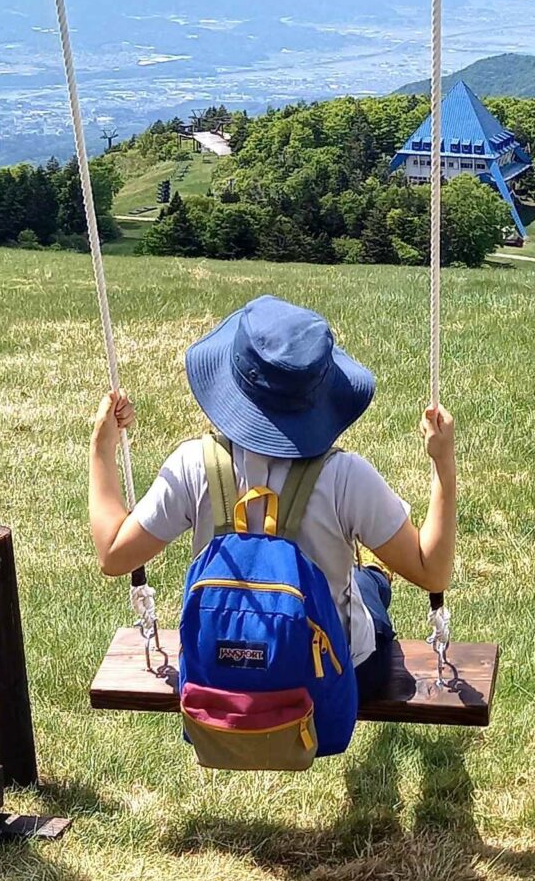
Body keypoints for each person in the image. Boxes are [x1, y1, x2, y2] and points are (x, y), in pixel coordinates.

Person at [88, 294, 455, 700]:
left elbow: (113, 553)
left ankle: (370, 576)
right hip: (332, 682)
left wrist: (102, 445)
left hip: (220, 673)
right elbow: (431, 570)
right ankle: (373, 575)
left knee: (364, 584)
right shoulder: (346, 477)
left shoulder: (193, 465)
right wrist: (443, 464)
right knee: (368, 597)